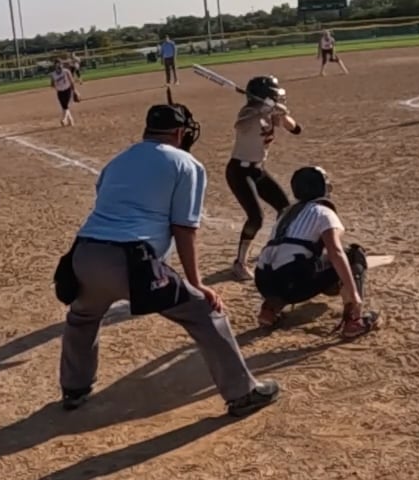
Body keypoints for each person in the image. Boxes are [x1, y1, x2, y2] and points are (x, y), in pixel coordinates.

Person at [53, 102, 280, 417]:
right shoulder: (186, 164)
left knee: (82, 317)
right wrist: (197, 283)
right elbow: (184, 229)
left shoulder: (117, 161)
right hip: (131, 260)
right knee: (205, 311)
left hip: (84, 254)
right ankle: (243, 393)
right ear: (179, 132)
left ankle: (74, 389)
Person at [254, 165, 380, 339]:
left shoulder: (286, 213)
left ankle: (269, 311)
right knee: (354, 254)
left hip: (262, 280)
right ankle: (354, 320)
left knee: (288, 261)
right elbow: (336, 252)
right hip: (293, 279)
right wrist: (353, 294)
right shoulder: (323, 212)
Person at [226, 75, 301, 281]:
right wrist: (263, 110)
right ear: (264, 96)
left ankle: (277, 247)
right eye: (273, 95)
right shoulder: (248, 113)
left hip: (258, 170)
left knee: (285, 209)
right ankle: (239, 263)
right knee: (256, 217)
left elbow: (296, 129)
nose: (277, 98)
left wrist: (282, 114)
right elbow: (241, 126)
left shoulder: (271, 113)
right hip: (239, 171)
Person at [51, 59, 79, 127]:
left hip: (67, 90)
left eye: (60, 64)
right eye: (57, 64)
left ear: (62, 64)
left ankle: (64, 119)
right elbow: (52, 84)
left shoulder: (66, 71)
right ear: (55, 66)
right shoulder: (53, 74)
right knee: (64, 107)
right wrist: (55, 84)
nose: (59, 66)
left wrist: (74, 90)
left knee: (66, 106)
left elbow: (71, 81)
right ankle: (71, 120)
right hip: (60, 92)